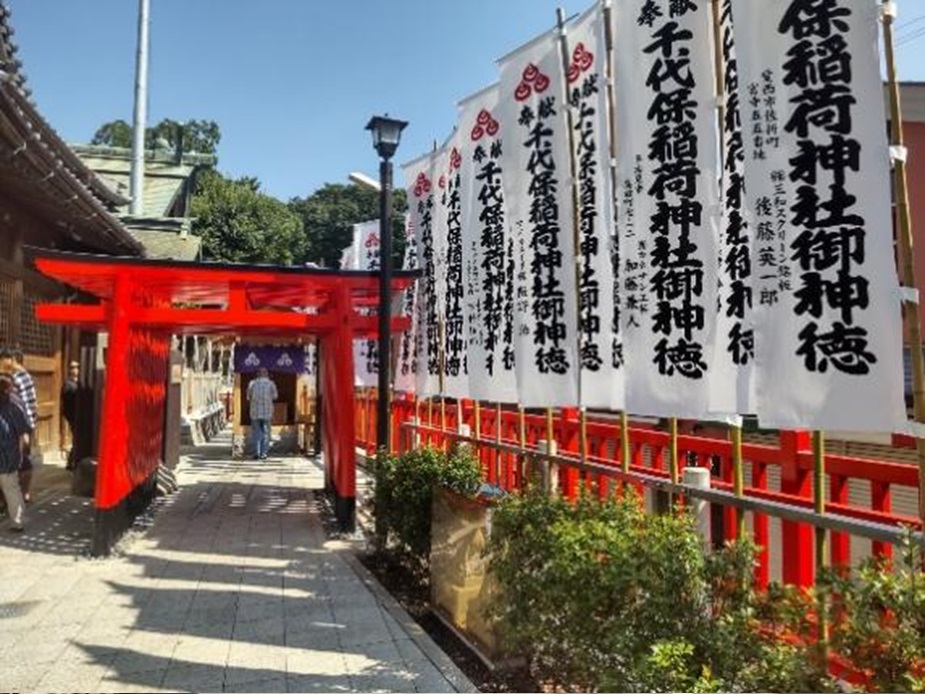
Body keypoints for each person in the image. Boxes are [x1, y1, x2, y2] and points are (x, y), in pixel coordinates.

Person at [0, 348, 37, 502]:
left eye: (3, 360)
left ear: (12, 359)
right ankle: (24, 494)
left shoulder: (16, 378)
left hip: (18, 424)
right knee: (23, 459)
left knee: (15, 461)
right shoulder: (27, 375)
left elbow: (12, 401)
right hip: (28, 422)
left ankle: (10, 498)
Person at [0, 375, 31, 532]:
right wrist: (19, 455)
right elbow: (23, 436)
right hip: (8, 453)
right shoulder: (14, 407)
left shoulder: (13, 407)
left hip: (6, 453)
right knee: (11, 487)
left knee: (10, 487)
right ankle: (17, 521)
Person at [246, 367, 277, 460]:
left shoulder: (252, 383)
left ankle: (257, 452)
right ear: (267, 374)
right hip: (267, 412)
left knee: (256, 432)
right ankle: (264, 453)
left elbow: (248, 397)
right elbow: (275, 396)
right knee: (266, 432)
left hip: (255, 412)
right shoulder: (271, 384)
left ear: (257, 374)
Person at [61, 360, 79, 470]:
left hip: (78, 415)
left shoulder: (78, 382)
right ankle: (71, 462)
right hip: (73, 416)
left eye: (76, 367)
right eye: (72, 367)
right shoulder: (68, 384)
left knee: (76, 439)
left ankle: (71, 461)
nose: (74, 370)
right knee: (76, 438)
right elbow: (67, 402)